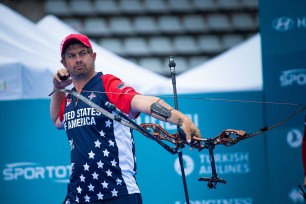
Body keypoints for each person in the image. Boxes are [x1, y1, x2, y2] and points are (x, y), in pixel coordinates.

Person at [50, 33, 201, 204]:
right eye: (71, 55)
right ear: (63, 63)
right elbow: (57, 120)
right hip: (78, 196)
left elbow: (143, 101)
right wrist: (57, 88)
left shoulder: (107, 84)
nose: (78, 59)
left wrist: (182, 120)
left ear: (93, 57)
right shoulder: (69, 97)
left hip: (117, 194)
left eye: (83, 53)